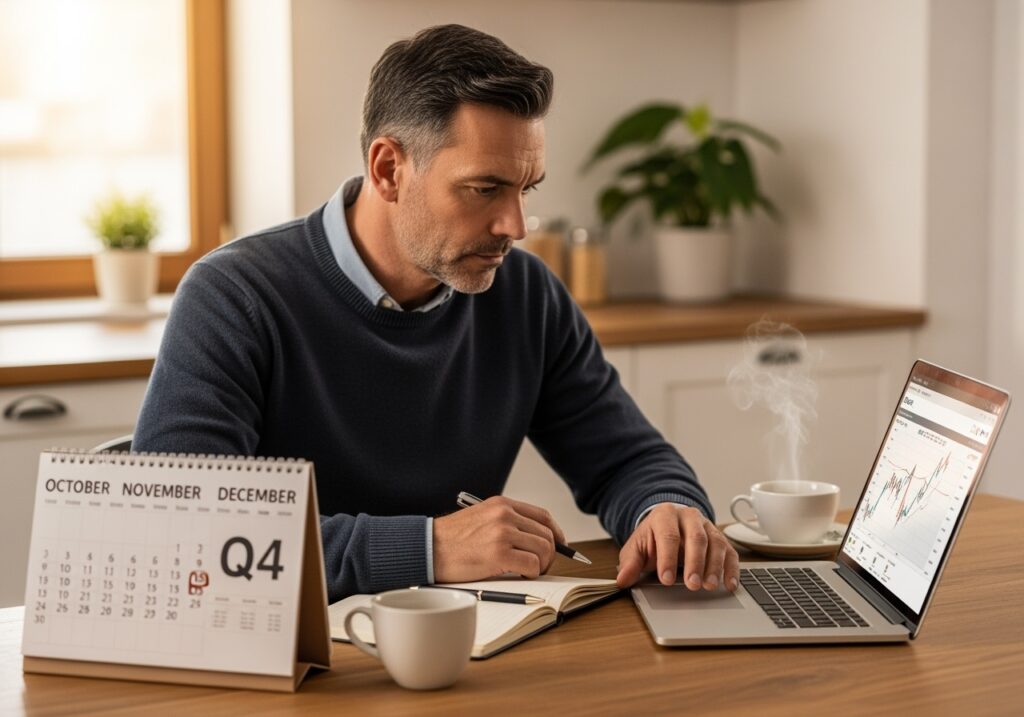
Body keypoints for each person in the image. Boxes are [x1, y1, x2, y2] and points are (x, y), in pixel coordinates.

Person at [134, 24, 739, 602]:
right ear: (388, 169)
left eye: (525, 189)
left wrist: (666, 507)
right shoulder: (234, 296)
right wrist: (428, 547)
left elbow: (628, 458)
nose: (516, 227)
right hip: (293, 668)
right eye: (484, 189)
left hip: (464, 653)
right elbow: (183, 528)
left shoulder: (526, 294)